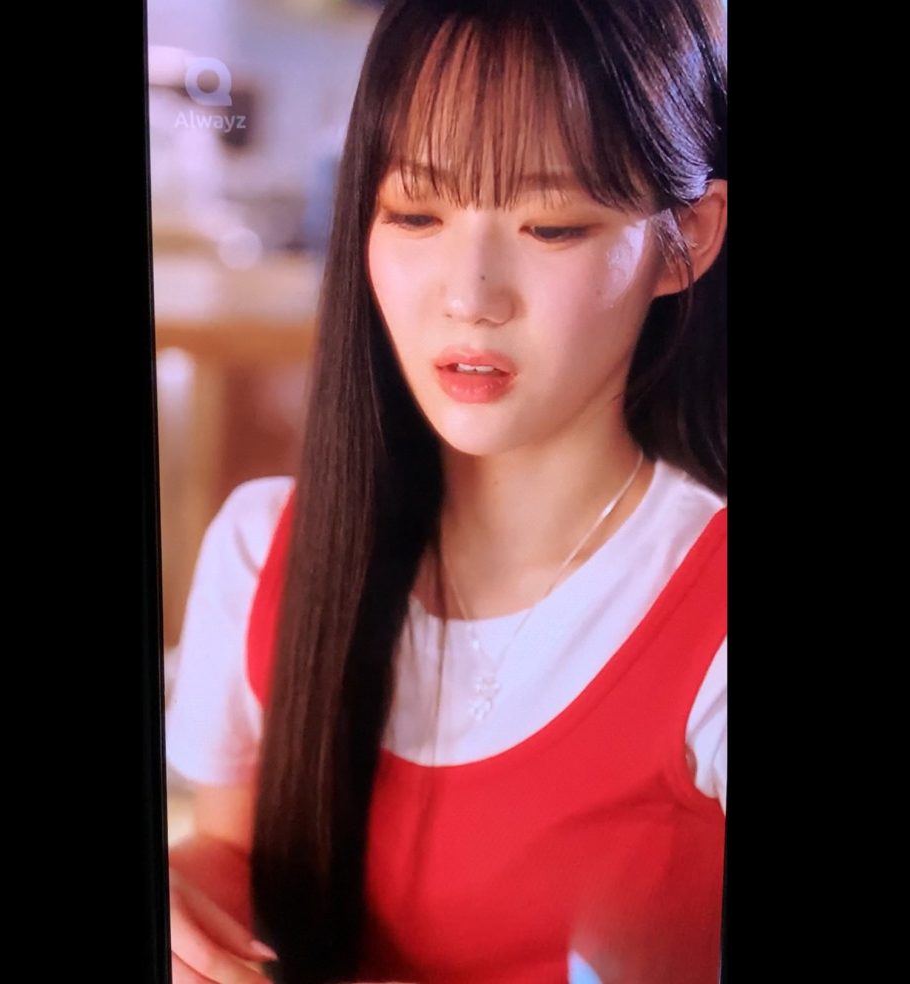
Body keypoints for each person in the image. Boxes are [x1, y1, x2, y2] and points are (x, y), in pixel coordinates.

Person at [165, 1, 728, 982]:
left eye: (551, 226)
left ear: (688, 235)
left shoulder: (708, 619)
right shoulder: (266, 551)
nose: (469, 296)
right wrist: (186, 908)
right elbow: (239, 857)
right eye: (415, 214)